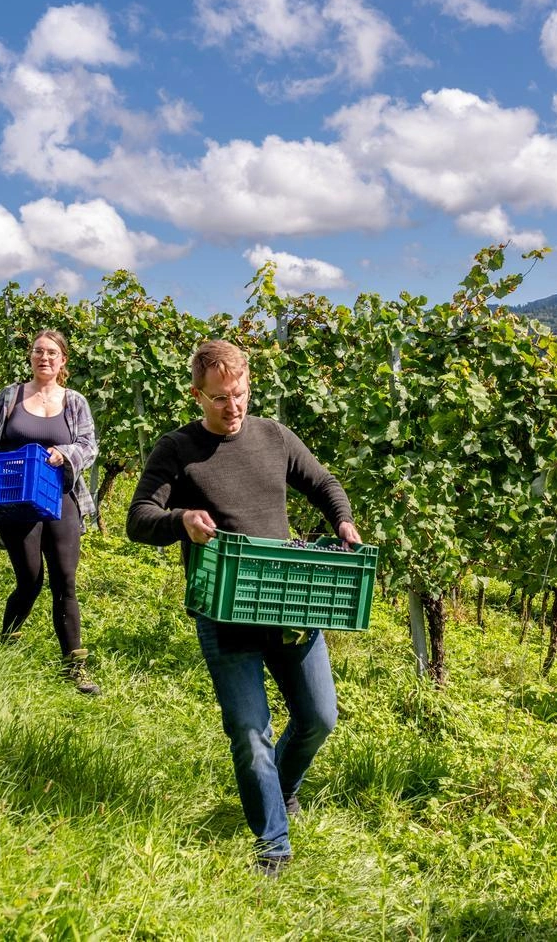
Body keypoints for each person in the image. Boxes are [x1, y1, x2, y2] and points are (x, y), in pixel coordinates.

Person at [126, 339, 361, 874]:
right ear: (196, 395)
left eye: (240, 395)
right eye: (219, 399)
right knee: (250, 731)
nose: (233, 408)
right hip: (225, 609)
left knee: (320, 717)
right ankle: (273, 844)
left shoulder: (273, 436)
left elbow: (322, 482)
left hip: (285, 599)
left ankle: (280, 788)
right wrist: (180, 521)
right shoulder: (176, 449)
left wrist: (341, 519)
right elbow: (138, 518)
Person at [0, 329, 101, 695]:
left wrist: (65, 454)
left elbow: (87, 444)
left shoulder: (74, 402)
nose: (44, 358)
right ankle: (7, 641)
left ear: (63, 360)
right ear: (31, 357)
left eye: (52, 353)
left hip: (59, 497)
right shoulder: (11, 396)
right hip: (15, 497)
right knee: (30, 579)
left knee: (65, 581)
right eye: (38, 351)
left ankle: (75, 667)